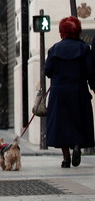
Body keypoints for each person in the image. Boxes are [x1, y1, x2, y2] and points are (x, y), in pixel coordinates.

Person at [44, 16, 95, 168]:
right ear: (77, 30)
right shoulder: (84, 49)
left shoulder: (54, 49)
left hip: (59, 92)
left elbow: (48, 70)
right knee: (78, 120)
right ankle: (78, 145)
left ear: (62, 31)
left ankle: (66, 158)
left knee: (61, 124)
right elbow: (90, 71)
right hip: (78, 90)